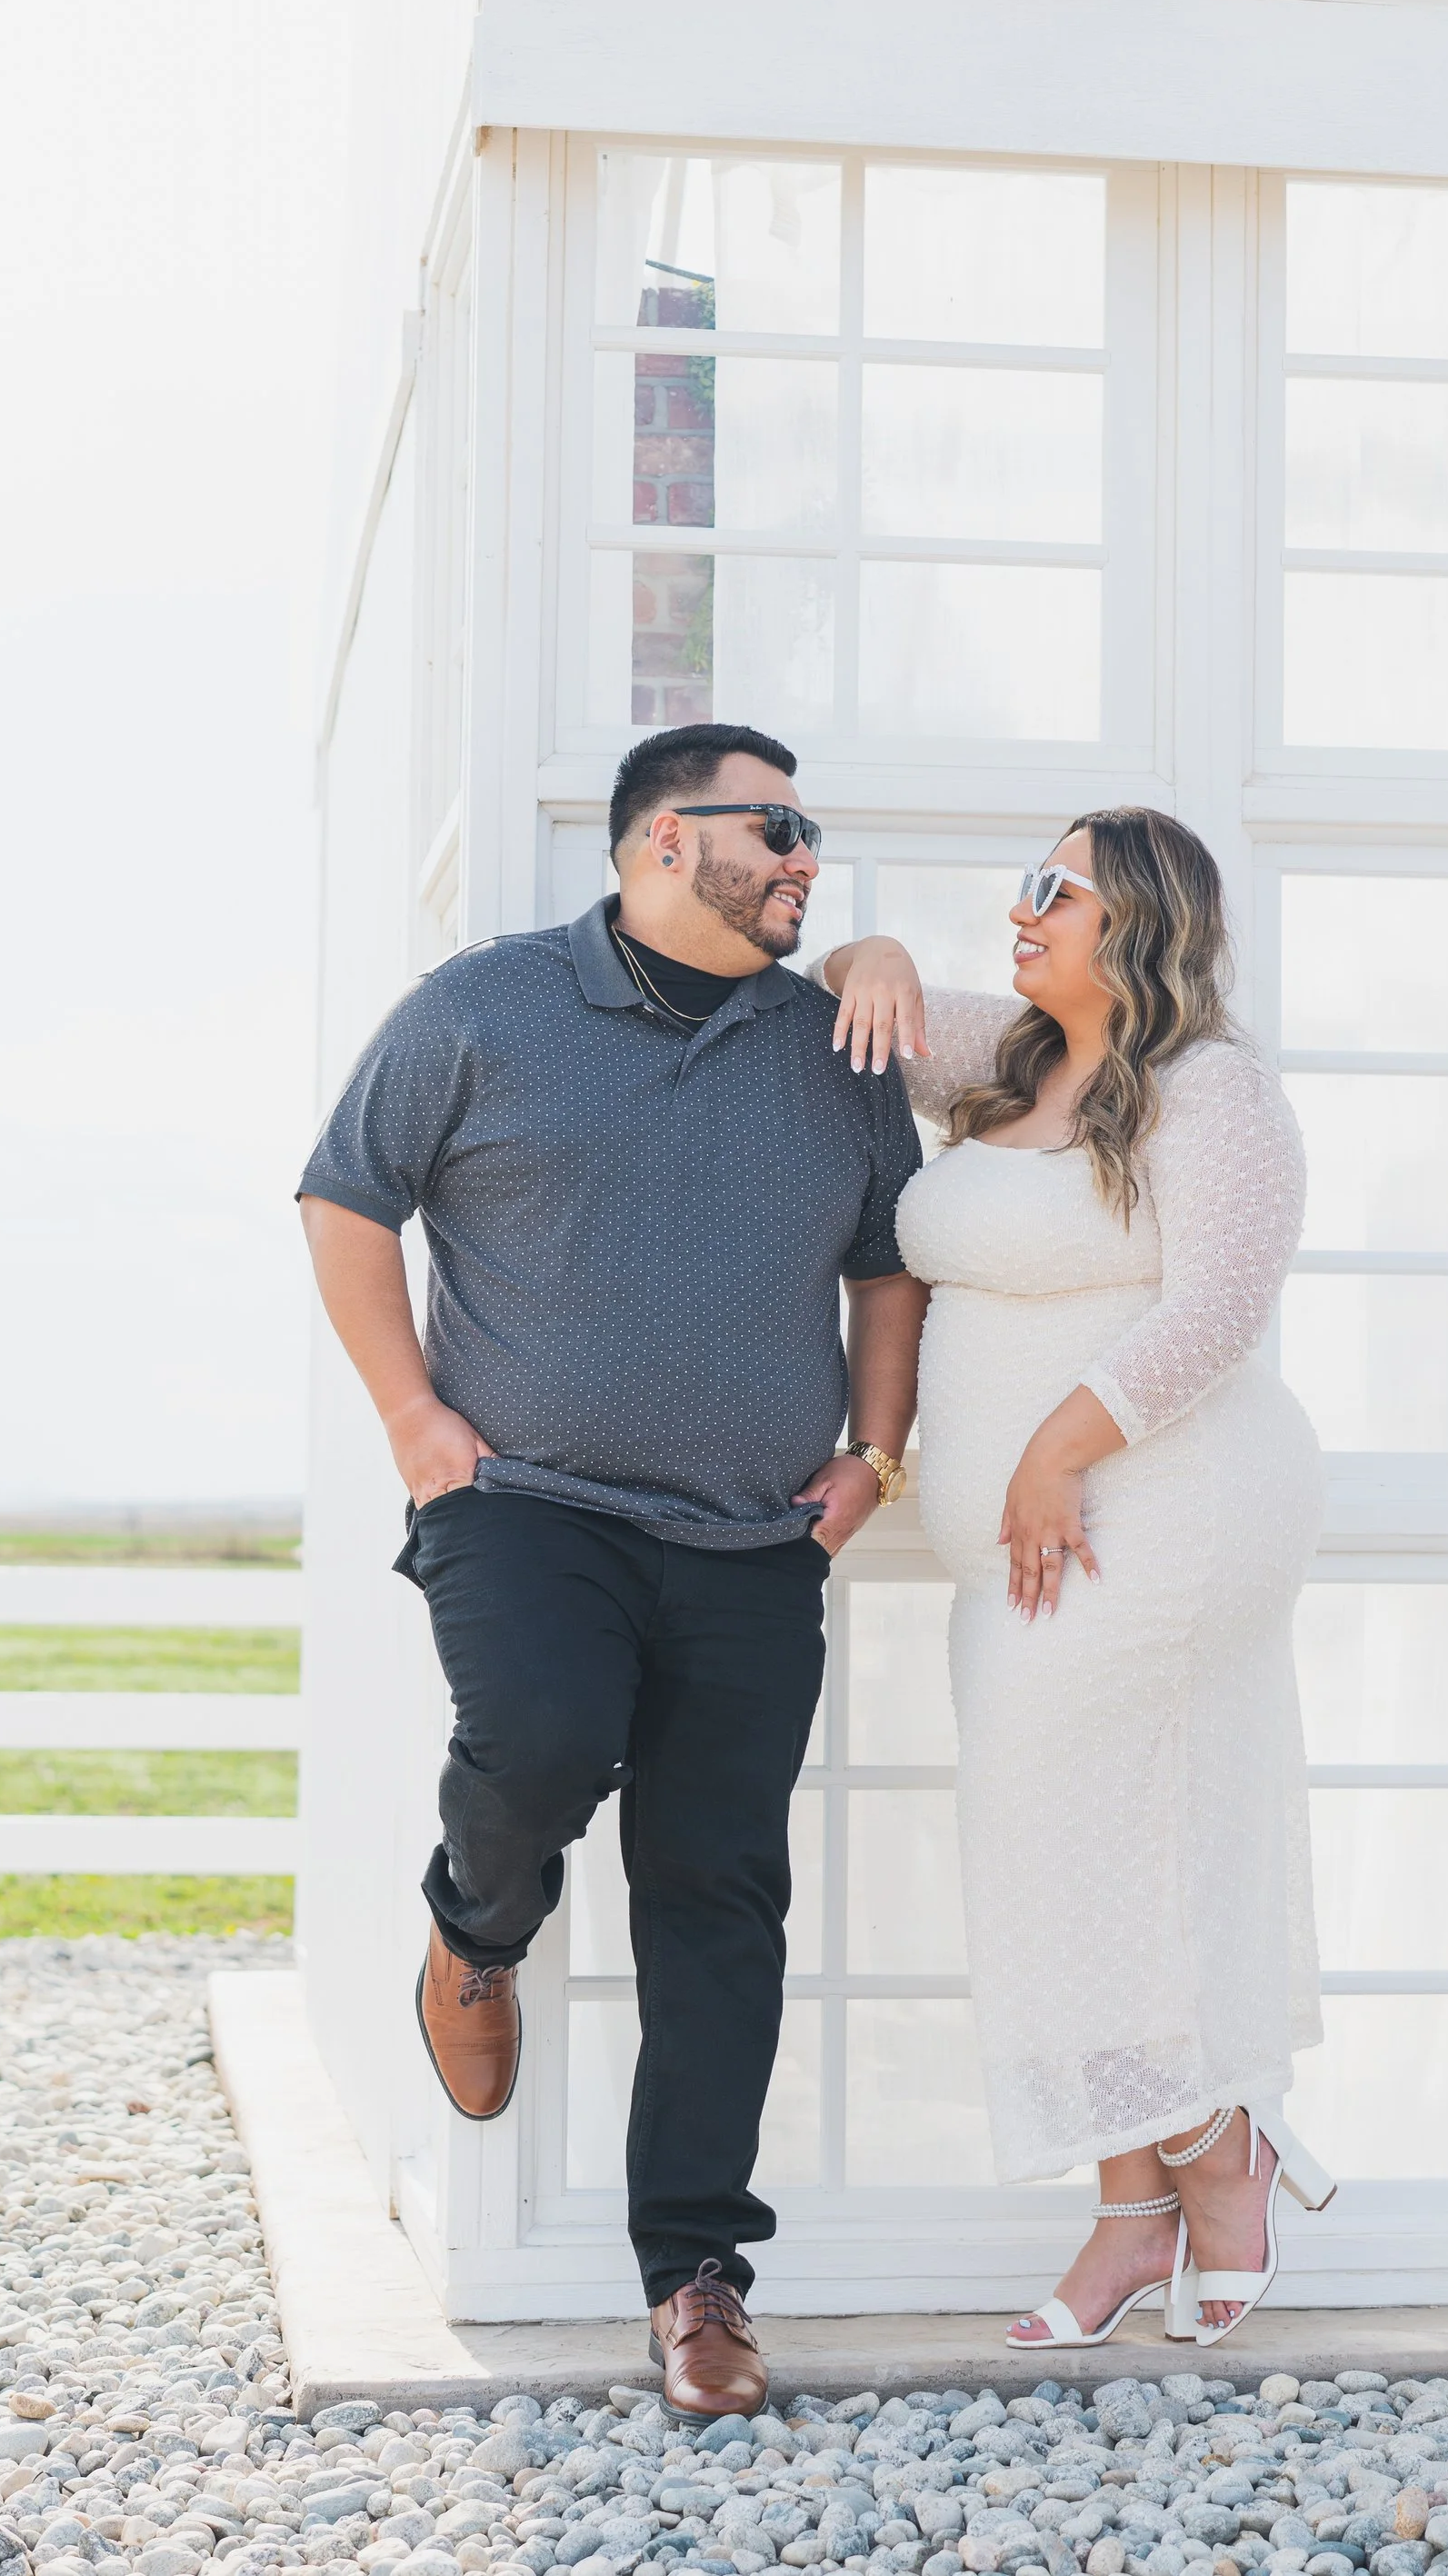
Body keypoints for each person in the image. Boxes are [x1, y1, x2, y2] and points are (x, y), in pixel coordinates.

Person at [297, 724, 925, 2417]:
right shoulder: (483, 1007)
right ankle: (473, 1929)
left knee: (719, 1896)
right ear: (662, 840)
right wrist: (414, 1418)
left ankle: (700, 2281)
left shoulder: (839, 1047)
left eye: (813, 835)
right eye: (776, 827)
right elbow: (347, 1199)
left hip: (750, 1535)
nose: (806, 859)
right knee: (546, 1737)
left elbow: (890, 1269)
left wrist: (873, 1458)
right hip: (525, 1503)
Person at [819, 807, 1331, 2348]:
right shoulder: (1009, 1052)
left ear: (1143, 920)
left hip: (1169, 1504)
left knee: (1110, 1837)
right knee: (1064, 1850)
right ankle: (1147, 2195)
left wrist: (1053, 1450)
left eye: (1057, 887)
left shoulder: (1211, 1088)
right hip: (1026, 1547)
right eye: (1022, 879)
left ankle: (1210, 2162)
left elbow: (1222, 1307)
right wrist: (882, 947)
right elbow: (849, 988)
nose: (1022, 905)